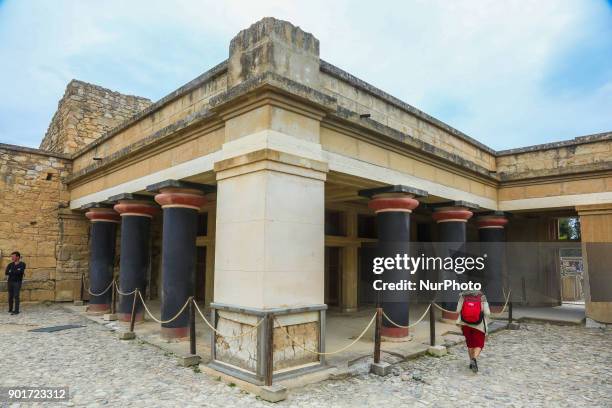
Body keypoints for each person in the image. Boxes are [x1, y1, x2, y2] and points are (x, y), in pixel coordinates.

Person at [456, 290, 490, 373]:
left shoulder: (463, 296)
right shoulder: (482, 297)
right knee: (479, 344)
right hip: (479, 326)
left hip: (465, 324)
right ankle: (474, 359)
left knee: (470, 344)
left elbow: (457, 310)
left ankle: (471, 362)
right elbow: (487, 313)